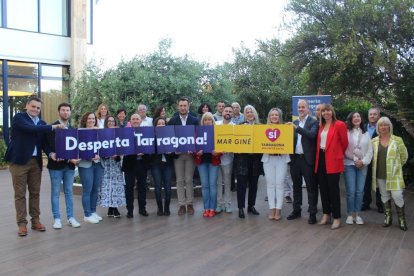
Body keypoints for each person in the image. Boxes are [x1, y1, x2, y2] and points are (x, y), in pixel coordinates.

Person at [5, 97, 64, 236]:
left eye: (38, 108)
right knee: (20, 194)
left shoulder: (41, 123)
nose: (35, 109)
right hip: (19, 161)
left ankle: (35, 221)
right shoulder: (19, 118)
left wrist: (51, 154)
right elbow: (30, 129)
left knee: (35, 193)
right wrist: (53, 126)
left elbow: (43, 143)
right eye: (33, 106)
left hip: (35, 163)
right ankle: (21, 224)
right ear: (27, 106)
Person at [46, 102, 81, 229]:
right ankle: (57, 219)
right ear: (59, 111)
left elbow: (75, 148)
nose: (66, 112)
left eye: (68, 110)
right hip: (55, 166)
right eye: (63, 110)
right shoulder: (52, 127)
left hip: (69, 167)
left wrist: (76, 158)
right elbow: (46, 145)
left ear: (70, 113)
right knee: (55, 193)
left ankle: (70, 217)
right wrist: (50, 154)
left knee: (69, 192)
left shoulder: (72, 130)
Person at [371, 117, 408, 231]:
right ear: (378, 127)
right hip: (380, 174)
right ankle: (388, 217)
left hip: (394, 175)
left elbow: (404, 156)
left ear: (389, 126)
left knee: (397, 196)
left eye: (385, 125)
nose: (383, 127)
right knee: (384, 196)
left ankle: (402, 220)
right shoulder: (374, 141)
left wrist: (397, 166)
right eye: (380, 125)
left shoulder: (397, 140)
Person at [315, 104, 348, 230]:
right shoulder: (321, 125)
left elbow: (345, 143)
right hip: (321, 159)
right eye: (323, 111)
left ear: (332, 112)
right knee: (323, 189)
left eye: (328, 110)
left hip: (333, 159)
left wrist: (337, 153)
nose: (326, 113)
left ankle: (337, 217)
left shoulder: (339, 124)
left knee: (333, 190)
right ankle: (326, 214)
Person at [286, 99, 319, 224]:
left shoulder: (313, 122)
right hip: (295, 160)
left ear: (308, 108)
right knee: (296, 186)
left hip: (307, 160)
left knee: (311, 187)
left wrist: (297, 128)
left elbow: (311, 135)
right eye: (299, 107)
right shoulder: (293, 123)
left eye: (303, 107)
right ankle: (296, 210)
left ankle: (312, 213)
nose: (300, 109)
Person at [168, 97, 199, 215]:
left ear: (188, 106)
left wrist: (194, 148)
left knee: (189, 180)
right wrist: (173, 149)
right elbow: (169, 138)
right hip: (178, 155)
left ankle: (190, 203)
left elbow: (198, 137)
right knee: (180, 180)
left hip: (191, 155)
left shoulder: (195, 120)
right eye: (181, 105)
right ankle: (181, 204)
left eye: (185, 105)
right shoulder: (172, 121)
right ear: (178, 106)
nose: (183, 107)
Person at [343, 112, 373, 225]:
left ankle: (357, 214)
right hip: (349, 164)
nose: (356, 118)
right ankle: (350, 214)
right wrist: (355, 159)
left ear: (361, 119)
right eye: (354, 117)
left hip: (362, 165)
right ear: (350, 120)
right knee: (351, 191)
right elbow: (344, 148)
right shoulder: (346, 132)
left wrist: (363, 162)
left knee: (360, 191)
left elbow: (370, 151)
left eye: (358, 116)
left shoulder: (366, 134)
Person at [262, 108, 291, 220]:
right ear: (269, 117)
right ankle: (271, 208)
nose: (274, 116)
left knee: (279, 184)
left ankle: (278, 209)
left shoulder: (285, 129)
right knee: (270, 184)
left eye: (276, 115)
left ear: (279, 117)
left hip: (281, 159)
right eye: (272, 115)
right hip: (268, 159)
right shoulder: (264, 129)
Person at [234, 105, 263, 219]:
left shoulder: (260, 127)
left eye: (251, 112)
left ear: (254, 113)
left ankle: (251, 206)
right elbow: (235, 144)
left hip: (255, 160)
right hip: (242, 160)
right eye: (247, 112)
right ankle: (241, 208)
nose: (250, 113)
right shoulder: (239, 126)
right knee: (241, 185)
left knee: (253, 185)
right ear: (244, 114)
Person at [78, 112, 104, 224]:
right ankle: (87, 214)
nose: (91, 120)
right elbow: (77, 149)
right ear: (85, 120)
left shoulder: (99, 131)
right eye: (89, 118)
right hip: (85, 164)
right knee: (87, 190)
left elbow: (105, 146)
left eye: (93, 119)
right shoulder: (79, 132)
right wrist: (89, 157)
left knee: (95, 189)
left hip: (98, 164)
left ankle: (93, 212)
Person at [122, 113, 150, 217]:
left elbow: (150, 146)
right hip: (130, 164)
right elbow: (122, 147)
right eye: (133, 119)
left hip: (142, 163)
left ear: (140, 121)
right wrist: (133, 152)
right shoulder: (125, 133)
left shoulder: (146, 132)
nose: (135, 121)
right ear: (130, 121)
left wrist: (145, 152)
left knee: (142, 188)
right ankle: (129, 210)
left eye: (137, 119)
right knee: (129, 188)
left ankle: (142, 209)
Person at [98, 116, 126, 218]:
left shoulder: (118, 133)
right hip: (105, 164)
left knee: (115, 185)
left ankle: (113, 208)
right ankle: (112, 208)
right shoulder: (102, 133)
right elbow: (99, 147)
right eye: (109, 121)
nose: (110, 123)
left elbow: (123, 146)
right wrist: (105, 154)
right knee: (107, 185)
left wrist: (118, 155)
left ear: (115, 123)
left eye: (112, 121)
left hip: (115, 164)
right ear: (106, 123)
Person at [195, 112, 222, 217]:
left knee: (212, 186)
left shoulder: (217, 132)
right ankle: (206, 208)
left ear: (212, 121)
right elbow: (193, 144)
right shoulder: (198, 132)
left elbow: (222, 145)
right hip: (201, 162)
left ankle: (212, 208)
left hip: (213, 161)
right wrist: (197, 152)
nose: (207, 121)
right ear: (203, 121)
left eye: (209, 120)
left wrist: (218, 151)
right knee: (205, 186)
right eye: (205, 120)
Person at [150, 116, 174, 216]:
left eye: (163, 123)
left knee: (168, 186)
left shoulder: (171, 135)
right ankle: (160, 208)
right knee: (158, 186)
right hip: (156, 165)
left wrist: (170, 152)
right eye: (159, 124)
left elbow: (175, 151)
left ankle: (167, 208)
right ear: (155, 126)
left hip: (167, 164)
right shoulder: (151, 137)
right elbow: (150, 153)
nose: (161, 125)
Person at [362, 107, 383, 213]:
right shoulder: (363, 126)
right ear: (368, 116)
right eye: (370, 114)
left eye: (375, 114)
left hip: (378, 158)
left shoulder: (383, 127)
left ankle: (380, 204)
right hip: (366, 158)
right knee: (366, 182)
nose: (372, 116)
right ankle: (366, 203)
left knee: (379, 182)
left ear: (378, 116)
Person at [215, 105, 234, 213]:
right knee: (218, 183)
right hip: (216, 159)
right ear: (222, 112)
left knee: (227, 183)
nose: (228, 113)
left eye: (230, 111)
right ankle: (219, 204)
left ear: (232, 114)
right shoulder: (216, 125)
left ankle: (228, 204)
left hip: (228, 159)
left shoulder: (235, 127)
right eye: (226, 111)